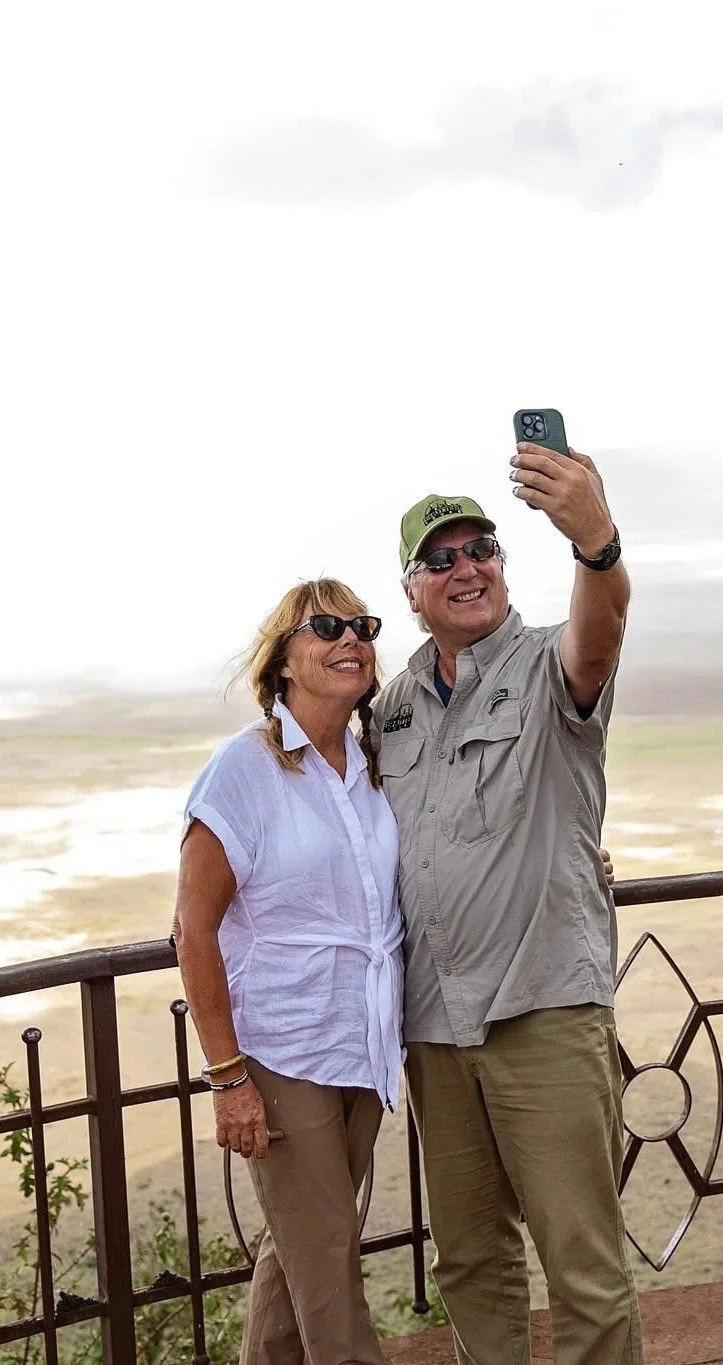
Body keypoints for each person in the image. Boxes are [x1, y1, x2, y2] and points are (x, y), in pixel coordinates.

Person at [371, 443, 643, 1364]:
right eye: (440, 558)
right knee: (470, 1261)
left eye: (481, 547)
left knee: (583, 1267)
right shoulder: (392, 707)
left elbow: (599, 633)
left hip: (542, 1007)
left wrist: (596, 543)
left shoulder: (544, 663)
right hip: (435, 1026)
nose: (466, 567)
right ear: (411, 590)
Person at [173, 578, 404, 1365]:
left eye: (362, 626)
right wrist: (227, 1076)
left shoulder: (374, 763)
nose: (351, 638)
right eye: (326, 627)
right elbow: (191, 928)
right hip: (284, 1047)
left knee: (304, 1241)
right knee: (329, 1256)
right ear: (282, 664)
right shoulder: (242, 771)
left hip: (364, 1042)